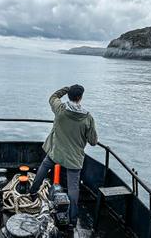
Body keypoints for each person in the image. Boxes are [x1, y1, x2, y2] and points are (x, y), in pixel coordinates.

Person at [29, 85, 98, 228]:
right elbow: (93, 141)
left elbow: (52, 97)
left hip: (57, 153)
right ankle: (73, 220)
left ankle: (33, 192)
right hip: (74, 159)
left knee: (44, 167)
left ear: (69, 96)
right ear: (80, 98)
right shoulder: (88, 118)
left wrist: (66, 89)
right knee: (73, 188)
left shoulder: (60, 110)